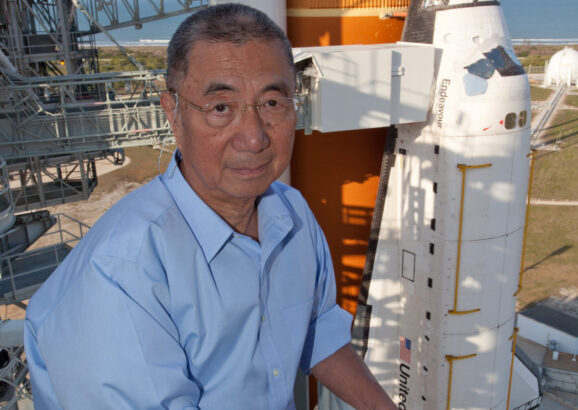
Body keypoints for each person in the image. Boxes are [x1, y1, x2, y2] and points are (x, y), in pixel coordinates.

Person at [24, 4, 395, 409]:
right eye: (221, 108)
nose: (253, 138)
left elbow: (315, 329)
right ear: (173, 114)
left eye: (272, 103)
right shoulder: (123, 272)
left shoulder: (292, 215)